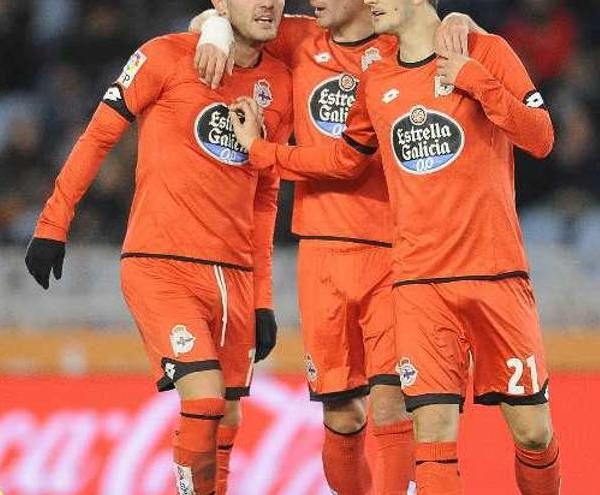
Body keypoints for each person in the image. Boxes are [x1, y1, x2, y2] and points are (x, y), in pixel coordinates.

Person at [228, 0, 561, 493]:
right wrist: (259, 150)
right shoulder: (378, 79)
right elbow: (345, 159)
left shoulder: (483, 51)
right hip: (418, 283)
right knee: (431, 435)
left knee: (533, 434)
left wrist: (475, 79)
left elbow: (542, 138)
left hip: (495, 275)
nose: (371, 2)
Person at [192, 3, 483, 493]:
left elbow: (459, 37)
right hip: (322, 253)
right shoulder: (299, 38)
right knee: (343, 413)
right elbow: (224, 17)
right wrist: (214, 31)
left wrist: (460, 20)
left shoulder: (400, 40)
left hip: (396, 251)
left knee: (393, 405)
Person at [24, 1, 292, 493]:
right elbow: (98, 137)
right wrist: (53, 222)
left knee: (228, 414)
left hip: (234, 274)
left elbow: (266, 194)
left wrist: (264, 297)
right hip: (160, 264)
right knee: (206, 399)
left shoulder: (282, 82)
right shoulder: (164, 56)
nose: (268, 2)